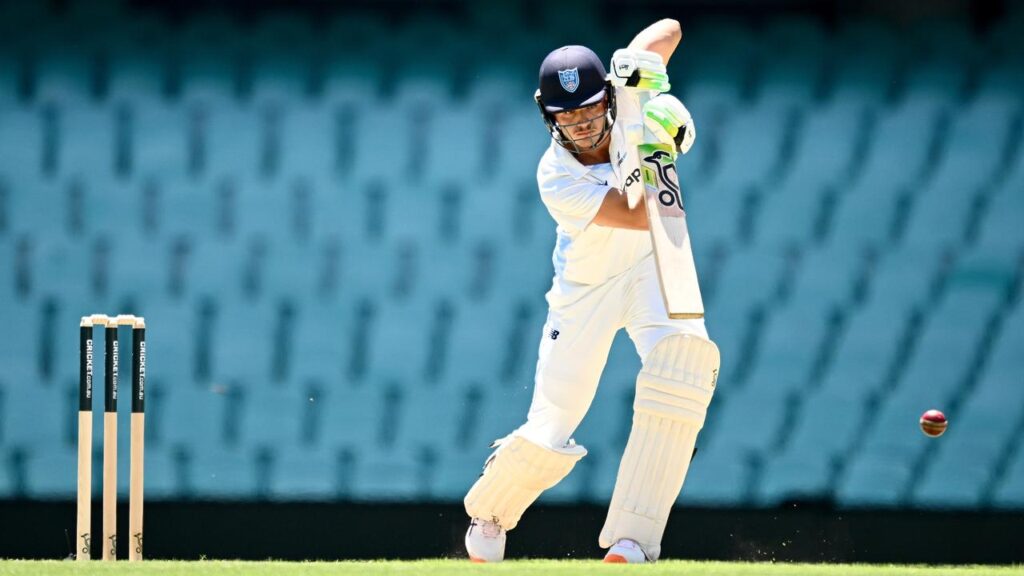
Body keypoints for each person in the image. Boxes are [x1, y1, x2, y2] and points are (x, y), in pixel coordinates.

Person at [462, 18, 720, 564]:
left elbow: (669, 30)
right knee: (551, 425)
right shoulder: (554, 176)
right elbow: (634, 216)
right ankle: (492, 510)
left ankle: (633, 538)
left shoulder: (630, 103)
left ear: (607, 97)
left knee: (685, 367)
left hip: (654, 272)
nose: (581, 125)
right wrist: (659, 151)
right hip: (587, 289)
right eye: (566, 116)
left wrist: (637, 63)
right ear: (548, 117)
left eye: (589, 110)